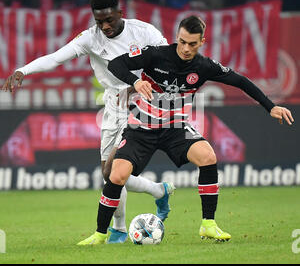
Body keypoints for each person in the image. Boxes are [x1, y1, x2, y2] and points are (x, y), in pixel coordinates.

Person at [79, 15, 294, 245]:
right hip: (141, 127)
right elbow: (116, 64)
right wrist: (135, 82)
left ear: (202, 41)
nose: (185, 48)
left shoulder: (204, 66)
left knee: (208, 156)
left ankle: (208, 225)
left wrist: (270, 107)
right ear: (177, 38)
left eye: (192, 44)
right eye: (182, 42)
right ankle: (100, 234)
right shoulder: (156, 54)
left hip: (176, 129)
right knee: (117, 175)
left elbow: (240, 81)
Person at [2, 0, 175, 244]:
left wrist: (147, 83)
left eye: (109, 20)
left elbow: (169, 60)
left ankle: (117, 229)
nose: (104, 26)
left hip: (144, 103)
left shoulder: (144, 32)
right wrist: (22, 70)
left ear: (120, 13)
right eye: (99, 21)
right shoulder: (90, 38)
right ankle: (158, 191)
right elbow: (55, 58)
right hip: (113, 105)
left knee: (114, 169)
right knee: (109, 175)